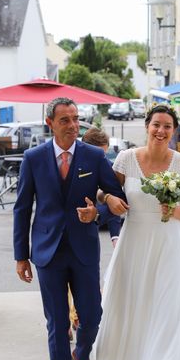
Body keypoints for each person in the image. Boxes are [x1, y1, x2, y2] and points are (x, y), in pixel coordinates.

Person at [13, 97, 128, 360]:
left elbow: (117, 198)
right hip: (47, 252)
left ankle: (82, 354)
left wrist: (98, 212)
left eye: (76, 119)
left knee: (92, 316)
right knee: (57, 324)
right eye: (65, 120)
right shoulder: (33, 158)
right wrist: (21, 256)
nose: (73, 125)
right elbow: (22, 208)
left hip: (84, 250)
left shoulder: (93, 155)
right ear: (50, 123)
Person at [94, 104, 180, 360]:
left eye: (167, 126)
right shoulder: (126, 160)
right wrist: (108, 199)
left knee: (166, 317)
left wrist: (173, 211)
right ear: (147, 126)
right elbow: (102, 191)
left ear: (174, 130)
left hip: (169, 245)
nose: (161, 130)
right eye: (156, 124)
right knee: (132, 311)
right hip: (134, 243)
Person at [65, 128, 123, 341]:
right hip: (61, 232)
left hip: (87, 233)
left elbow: (115, 201)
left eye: (104, 154)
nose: (101, 159)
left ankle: (77, 320)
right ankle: (66, 322)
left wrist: (115, 236)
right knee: (63, 285)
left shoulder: (103, 164)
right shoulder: (67, 161)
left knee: (85, 285)